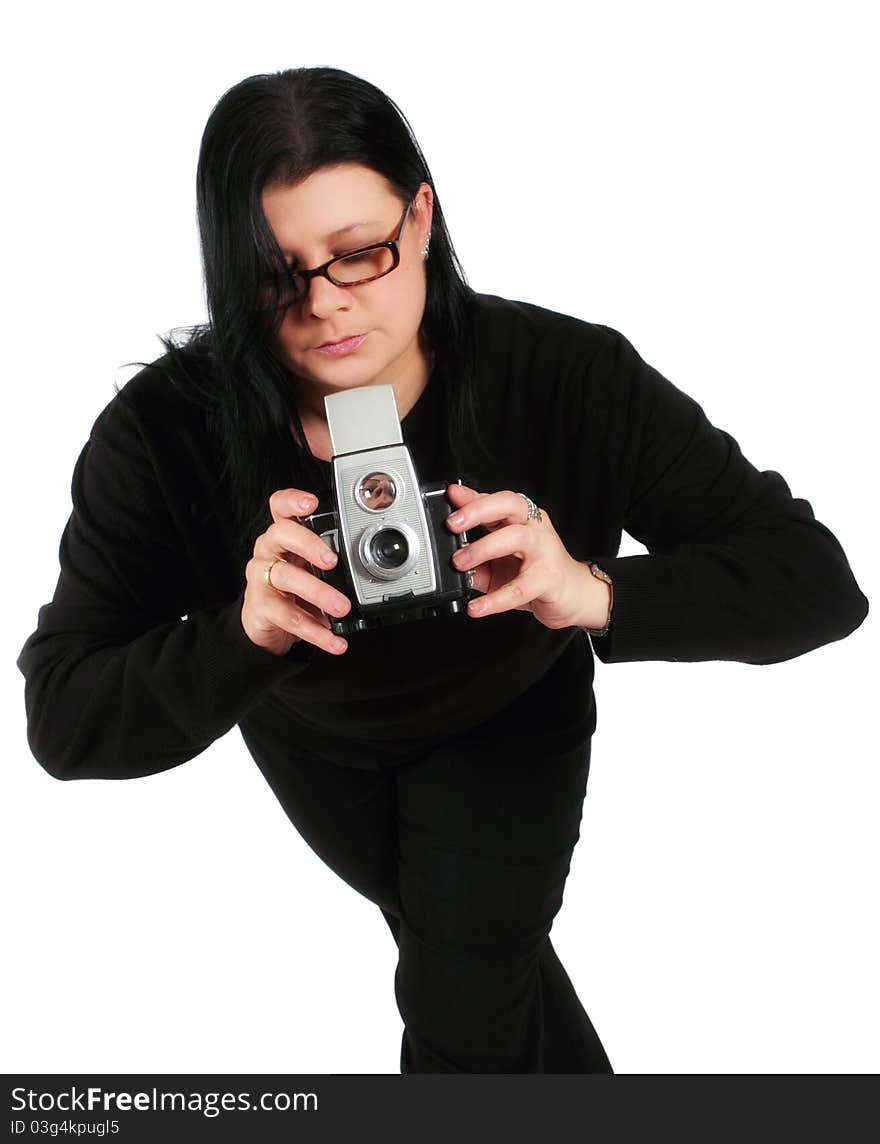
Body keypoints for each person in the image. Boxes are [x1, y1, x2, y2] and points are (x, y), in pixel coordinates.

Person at [16, 66, 869, 1075]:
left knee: (462, 1002)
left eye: (359, 253)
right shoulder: (164, 433)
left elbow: (817, 584)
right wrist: (244, 636)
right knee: (485, 979)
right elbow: (63, 722)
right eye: (276, 274)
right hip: (316, 744)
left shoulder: (566, 375)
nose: (325, 307)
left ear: (420, 219)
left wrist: (586, 589)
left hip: (507, 719)